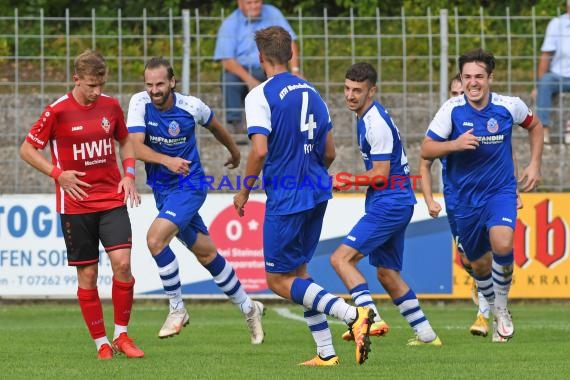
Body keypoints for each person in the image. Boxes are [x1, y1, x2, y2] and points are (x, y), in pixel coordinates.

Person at [233, 26, 374, 366]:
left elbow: (259, 150)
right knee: (298, 272)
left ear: (261, 58)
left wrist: (244, 190)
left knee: (277, 280)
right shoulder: (313, 92)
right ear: (291, 54)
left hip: (287, 196)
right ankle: (326, 352)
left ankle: (352, 315)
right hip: (316, 191)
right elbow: (329, 152)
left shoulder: (259, 95)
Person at [126, 57, 265, 344]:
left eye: (160, 84)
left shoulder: (191, 106)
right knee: (206, 254)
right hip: (164, 191)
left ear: (173, 82)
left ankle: (177, 309)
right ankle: (249, 308)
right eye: (149, 84)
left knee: (155, 240)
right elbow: (135, 147)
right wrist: (167, 161)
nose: (154, 90)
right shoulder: (139, 103)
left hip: (190, 186)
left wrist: (235, 152)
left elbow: (216, 126)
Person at [19, 50, 144, 360]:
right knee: (87, 276)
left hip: (112, 199)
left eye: (100, 84)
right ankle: (101, 342)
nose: (96, 91)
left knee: (124, 266)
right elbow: (26, 149)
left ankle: (122, 335)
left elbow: (125, 141)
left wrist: (129, 175)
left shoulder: (111, 106)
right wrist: (57, 174)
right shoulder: (57, 111)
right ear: (76, 80)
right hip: (75, 205)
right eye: (90, 85)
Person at [421, 48, 544, 343]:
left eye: (478, 76)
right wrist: (454, 144)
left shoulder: (508, 106)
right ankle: (491, 301)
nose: (472, 82)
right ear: (461, 80)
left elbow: (535, 126)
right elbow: (426, 150)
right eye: (467, 77)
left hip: (499, 191)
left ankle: (501, 309)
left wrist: (535, 164)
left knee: (502, 241)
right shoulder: (451, 110)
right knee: (478, 265)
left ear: (490, 78)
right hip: (463, 199)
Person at [330, 62, 442, 347]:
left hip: (390, 201)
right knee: (387, 272)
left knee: (341, 259)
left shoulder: (374, 122)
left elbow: (380, 175)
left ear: (372, 91)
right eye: (347, 88)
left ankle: (370, 317)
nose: (350, 95)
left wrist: (345, 181)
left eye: (358, 90)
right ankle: (426, 334)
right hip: (394, 200)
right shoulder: (367, 117)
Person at [419, 73, 492, 338]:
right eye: (453, 93)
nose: (458, 98)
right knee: (466, 258)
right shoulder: (444, 127)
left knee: (485, 252)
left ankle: (484, 315)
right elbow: (425, 161)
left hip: (487, 196)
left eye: (462, 94)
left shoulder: (486, 124)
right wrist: (429, 199)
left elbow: (504, 154)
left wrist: (512, 189)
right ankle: (482, 278)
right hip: (456, 198)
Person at [214, 0, 301, 133]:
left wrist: (295, 70)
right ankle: (235, 124)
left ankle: (279, 121)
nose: (254, 6)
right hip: (240, 72)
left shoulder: (273, 14)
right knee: (228, 79)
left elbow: (290, 42)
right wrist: (250, 80)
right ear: (240, 3)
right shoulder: (229, 24)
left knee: (279, 77)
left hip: (268, 66)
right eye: (249, 3)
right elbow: (227, 60)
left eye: (257, 2)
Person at [534, 0, 570, 144]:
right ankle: (544, 130)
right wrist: (537, 86)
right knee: (545, 81)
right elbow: (546, 55)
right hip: (558, 76)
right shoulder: (556, 24)